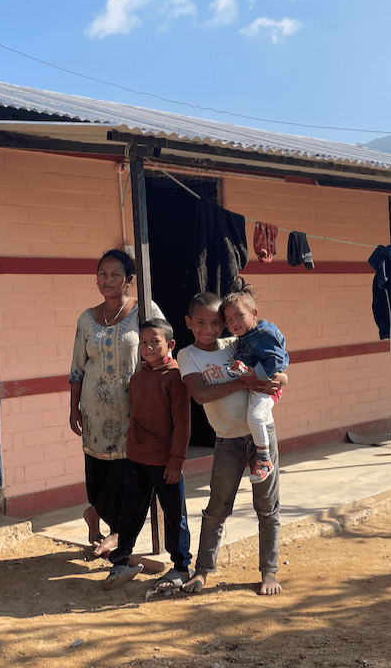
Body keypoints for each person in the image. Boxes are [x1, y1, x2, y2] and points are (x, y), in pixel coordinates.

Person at [177, 288, 286, 596]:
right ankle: (202, 571)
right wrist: (242, 381)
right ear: (188, 323)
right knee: (217, 508)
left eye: (216, 323)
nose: (209, 329)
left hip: (261, 437)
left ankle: (269, 572)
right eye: (201, 323)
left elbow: (277, 371)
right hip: (227, 441)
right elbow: (200, 394)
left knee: (267, 507)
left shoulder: (234, 344)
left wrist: (278, 379)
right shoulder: (188, 356)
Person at [69, 249, 163, 556]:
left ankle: (116, 532)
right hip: (94, 412)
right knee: (100, 471)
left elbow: (163, 347)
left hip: (132, 411)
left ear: (129, 281)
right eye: (102, 274)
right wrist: (73, 408)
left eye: (115, 275)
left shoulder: (144, 310)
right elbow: (77, 369)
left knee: (131, 472)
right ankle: (98, 515)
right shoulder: (86, 318)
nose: (107, 280)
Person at [103, 318, 192, 590]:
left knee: (175, 515)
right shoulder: (138, 378)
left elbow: (183, 424)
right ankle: (120, 562)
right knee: (128, 514)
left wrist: (176, 462)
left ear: (170, 345)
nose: (149, 347)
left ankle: (180, 567)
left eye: (155, 342)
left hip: (166, 463)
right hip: (137, 460)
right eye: (143, 343)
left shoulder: (175, 377)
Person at [221, 283, 288, 483]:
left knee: (256, 418)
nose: (234, 323)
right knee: (255, 418)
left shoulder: (264, 334)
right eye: (229, 320)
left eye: (239, 316)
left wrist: (254, 374)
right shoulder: (243, 338)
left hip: (265, 387)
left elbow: (277, 361)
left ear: (254, 313)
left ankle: (265, 460)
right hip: (256, 384)